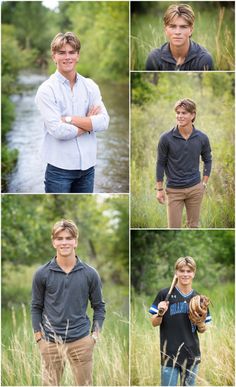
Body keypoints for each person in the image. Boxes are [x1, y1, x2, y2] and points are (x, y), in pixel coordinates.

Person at [31, 219, 105, 386]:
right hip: (50, 343)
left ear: (76, 241)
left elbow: (99, 307)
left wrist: (94, 336)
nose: (64, 242)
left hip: (81, 341)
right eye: (59, 238)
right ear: (53, 242)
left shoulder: (90, 273)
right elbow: (36, 307)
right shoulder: (42, 274)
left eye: (68, 238)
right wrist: (39, 338)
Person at [35, 32, 110, 193]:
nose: (67, 57)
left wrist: (69, 119)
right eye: (61, 53)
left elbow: (104, 122)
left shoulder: (90, 86)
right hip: (59, 170)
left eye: (71, 52)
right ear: (54, 56)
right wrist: (89, 123)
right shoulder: (46, 90)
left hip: (88, 168)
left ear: (78, 56)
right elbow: (59, 131)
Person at [149, 256, 211, 386]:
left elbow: (203, 330)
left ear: (193, 273)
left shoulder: (198, 299)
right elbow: (154, 323)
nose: (185, 274)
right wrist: (160, 313)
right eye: (182, 271)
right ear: (176, 273)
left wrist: (200, 322)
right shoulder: (164, 294)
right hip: (169, 356)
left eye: (189, 271)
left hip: (192, 356)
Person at [156, 98, 212, 228]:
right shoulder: (166, 138)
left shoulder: (202, 138)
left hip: (195, 189)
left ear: (192, 115)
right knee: (173, 228)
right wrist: (159, 189)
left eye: (184, 113)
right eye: (178, 112)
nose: (179, 116)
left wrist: (203, 183)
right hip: (174, 190)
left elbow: (208, 160)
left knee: (193, 227)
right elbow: (160, 163)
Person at [146, 4, 213, 71]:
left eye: (183, 27)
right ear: (165, 29)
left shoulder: (204, 59)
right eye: (172, 26)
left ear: (191, 30)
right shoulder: (154, 58)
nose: (177, 32)